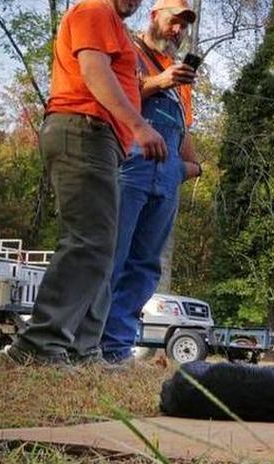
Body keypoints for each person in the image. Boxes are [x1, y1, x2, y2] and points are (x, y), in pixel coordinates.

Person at [5, 0, 166, 366]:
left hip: (100, 139)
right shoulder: (94, 9)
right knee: (88, 241)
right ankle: (39, 342)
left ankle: (81, 349)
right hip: (83, 128)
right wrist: (139, 125)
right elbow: (94, 72)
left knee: (101, 245)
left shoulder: (112, 24)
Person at [100, 0, 201, 365]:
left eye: (184, 26)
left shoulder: (179, 78)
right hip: (131, 165)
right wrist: (159, 82)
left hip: (166, 177)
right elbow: (110, 97)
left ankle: (116, 348)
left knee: (145, 265)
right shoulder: (128, 49)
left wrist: (189, 167)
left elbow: (182, 129)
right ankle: (86, 342)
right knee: (112, 255)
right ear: (154, 16)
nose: (178, 30)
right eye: (174, 21)